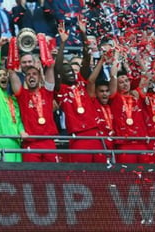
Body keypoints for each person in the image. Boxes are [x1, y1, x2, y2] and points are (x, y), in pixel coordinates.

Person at [54, 20, 103, 163]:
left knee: (103, 175)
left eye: (71, 70)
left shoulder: (82, 81)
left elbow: (87, 58)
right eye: (66, 72)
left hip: (95, 134)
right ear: (61, 77)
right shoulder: (60, 90)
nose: (70, 73)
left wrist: (83, 34)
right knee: (82, 175)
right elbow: (56, 69)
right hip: (78, 137)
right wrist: (62, 43)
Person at [109, 47, 155, 164]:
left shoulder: (136, 95)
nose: (125, 84)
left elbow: (147, 76)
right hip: (124, 144)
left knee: (145, 178)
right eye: (121, 82)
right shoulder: (114, 97)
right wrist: (116, 55)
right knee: (126, 178)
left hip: (141, 142)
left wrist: (138, 57)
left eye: (126, 81)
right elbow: (113, 76)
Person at [8, 53, 58, 162]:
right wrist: (13, 49)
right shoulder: (22, 95)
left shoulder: (47, 92)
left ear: (39, 77)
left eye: (35, 74)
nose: (31, 76)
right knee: (32, 177)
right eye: (28, 74)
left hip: (48, 141)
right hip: (30, 142)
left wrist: (46, 51)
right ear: (25, 79)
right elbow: (11, 73)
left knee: (53, 175)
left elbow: (50, 67)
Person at [0, 48, 25, 162]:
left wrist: (22, 131)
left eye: (5, 75)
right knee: (5, 174)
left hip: (16, 140)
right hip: (1, 138)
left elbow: (18, 119)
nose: (3, 77)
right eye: (0, 75)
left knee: (17, 175)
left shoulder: (12, 99)